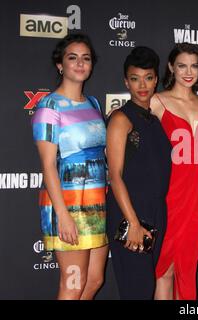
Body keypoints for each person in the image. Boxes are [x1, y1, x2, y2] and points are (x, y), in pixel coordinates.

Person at [31, 33, 108, 299]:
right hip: (67, 203)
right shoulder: (49, 105)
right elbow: (48, 165)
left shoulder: (94, 103)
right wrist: (63, 214)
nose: (79, 63)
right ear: (60, 65)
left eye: (85, 58)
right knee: (73, 282)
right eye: (72, 57)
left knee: (94, 280)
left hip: (95, 202)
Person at [149, 43, 198, 300]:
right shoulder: (157, 101)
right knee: (164, 269)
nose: (188, 72)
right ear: (171, 68)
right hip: (169, 193)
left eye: (194, 66)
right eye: (182, 65)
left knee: (187, 266)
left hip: (197, 193)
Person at [105, 46, 172, 299]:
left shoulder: (154, 120)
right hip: (130, 213)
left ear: (156, 79)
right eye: (135, 78)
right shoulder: (121, 119)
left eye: (148, 77)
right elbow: (115, 175)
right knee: (138, 290)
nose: (142, 85)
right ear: (126, 81)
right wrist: (133, 222)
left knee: (146, 288)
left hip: (156, 212)